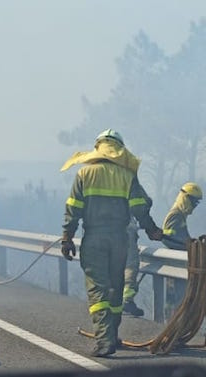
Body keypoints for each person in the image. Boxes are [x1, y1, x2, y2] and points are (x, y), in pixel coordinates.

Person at [59, 128, 163, 357]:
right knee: (116, 288)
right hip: (120, 239)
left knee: (97, 290)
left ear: (98, 147)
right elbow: (139, 208)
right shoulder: (127, 176)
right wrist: (152, 229)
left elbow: (73, 209)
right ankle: (111, 335)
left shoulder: (85, 174)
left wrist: (67, 237)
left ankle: (104, 340)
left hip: (94, 237)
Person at [160, 182, 203, 317]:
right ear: (185, 198)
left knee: (178, 296)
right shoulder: (175, 215)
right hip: (176, 262)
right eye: (193, 202)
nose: (194, 206)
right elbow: (167, 239)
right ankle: (173, 324)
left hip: (178, 262)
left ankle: (172, 323)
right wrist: (188, 246)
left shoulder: (180, 215)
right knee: (177, 297)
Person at [121, 217, 143, 317]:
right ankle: (127, 301)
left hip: (103, 232)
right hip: (125, 230)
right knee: (131, 266)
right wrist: (152, 229)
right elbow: (140, 208)